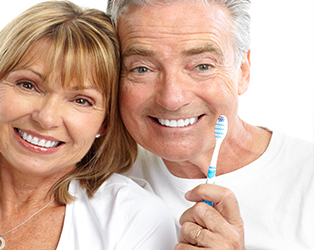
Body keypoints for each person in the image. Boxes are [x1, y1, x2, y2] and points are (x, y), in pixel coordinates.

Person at [0, 1, 177, 249]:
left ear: (105, 123)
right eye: (28, 85)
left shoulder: (133, 217)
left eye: (81, 100)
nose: (46, 117)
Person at [106, 0, 314, 249]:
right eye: (142, 69)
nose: (172, 99)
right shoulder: (99, 180)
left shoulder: (306, 179)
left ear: (243, 73)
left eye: (203, 66)